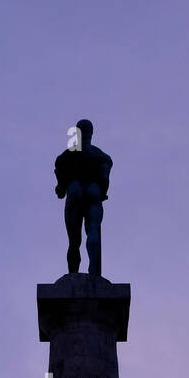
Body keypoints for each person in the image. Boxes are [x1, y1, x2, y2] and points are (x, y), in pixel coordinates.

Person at [54, 119, 113, 278]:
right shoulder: (102, 156)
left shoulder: (66, 156)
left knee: (74, 240)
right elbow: (105, 178)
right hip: (93, 190)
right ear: (91, 133)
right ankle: (93, 271)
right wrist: (103, 192)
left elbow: (59, 177)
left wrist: (61, 187)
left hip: (74, 190)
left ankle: (73, 273)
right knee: (92, 230)